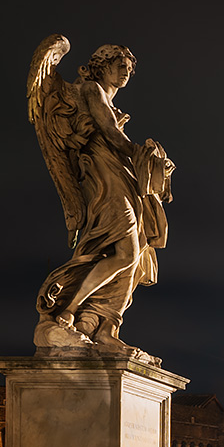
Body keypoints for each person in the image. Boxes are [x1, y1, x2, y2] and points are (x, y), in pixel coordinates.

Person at [30, 39, 174, 351]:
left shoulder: (110, 102)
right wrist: (143, 153)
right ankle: (69, 312)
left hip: (123, 175)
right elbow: (110, 133)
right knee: (125, 249)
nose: (125, 71)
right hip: (103, 178)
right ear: (102, 66)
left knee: (134, 256)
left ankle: (101, 326)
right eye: (119, 64)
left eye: (129, 67)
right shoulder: (91, 91)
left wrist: (153, 163)